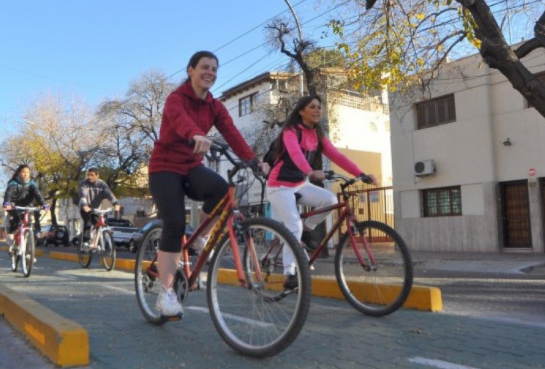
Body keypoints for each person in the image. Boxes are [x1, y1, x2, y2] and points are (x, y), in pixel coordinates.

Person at [148, 50, 268, 319]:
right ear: (190, 70)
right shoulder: (176, 98)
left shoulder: (215, 105)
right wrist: (195, 134)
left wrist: (253, 160)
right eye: (204, 67)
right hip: (165, 167)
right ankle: (165, 294)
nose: (210, 72)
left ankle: (202, 237)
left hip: (191, 166)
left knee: (221, 190)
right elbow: (180, 121)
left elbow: (231, 132)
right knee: (175, 223)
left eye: (214, 69)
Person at [266, 95, 378, 289]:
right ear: (302, 111)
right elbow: (295, 153)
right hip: (279, 185)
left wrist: (361, 173)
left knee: (330, 200)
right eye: (312, 107)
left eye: (319, 107)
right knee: (293, 225)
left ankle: (305, 230)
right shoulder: (291, 131)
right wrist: (310, 171)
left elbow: (336, 155)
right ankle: (289, 273)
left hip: (300, 183)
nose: (317, 110)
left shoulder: (317, 133)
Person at [3, 164, 48, 254]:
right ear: (19, 173)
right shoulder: (13, 183)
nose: (26, 174)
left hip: (28, 206)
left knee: (29, 221)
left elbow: (38, 194)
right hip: (14, 205)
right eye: (23, 172)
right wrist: (7, 202)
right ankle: (12, 236)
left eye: (28, 172)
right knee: (16, 219)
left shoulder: (32, 183)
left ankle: (29, 243)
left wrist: (44, 204)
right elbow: (8, 193)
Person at [78, 167, 121, 246]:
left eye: (92, 175)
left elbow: (110, 194)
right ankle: (86, 241)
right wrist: (84, 205)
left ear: (97, 176)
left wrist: (116, 203)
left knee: (101, 223)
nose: (90, 177)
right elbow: (82, 195)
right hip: (86, 208)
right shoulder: (84, 183)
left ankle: (97, 242)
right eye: (88, 175)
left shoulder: (102, 184)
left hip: (97, 209)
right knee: (88, 221)